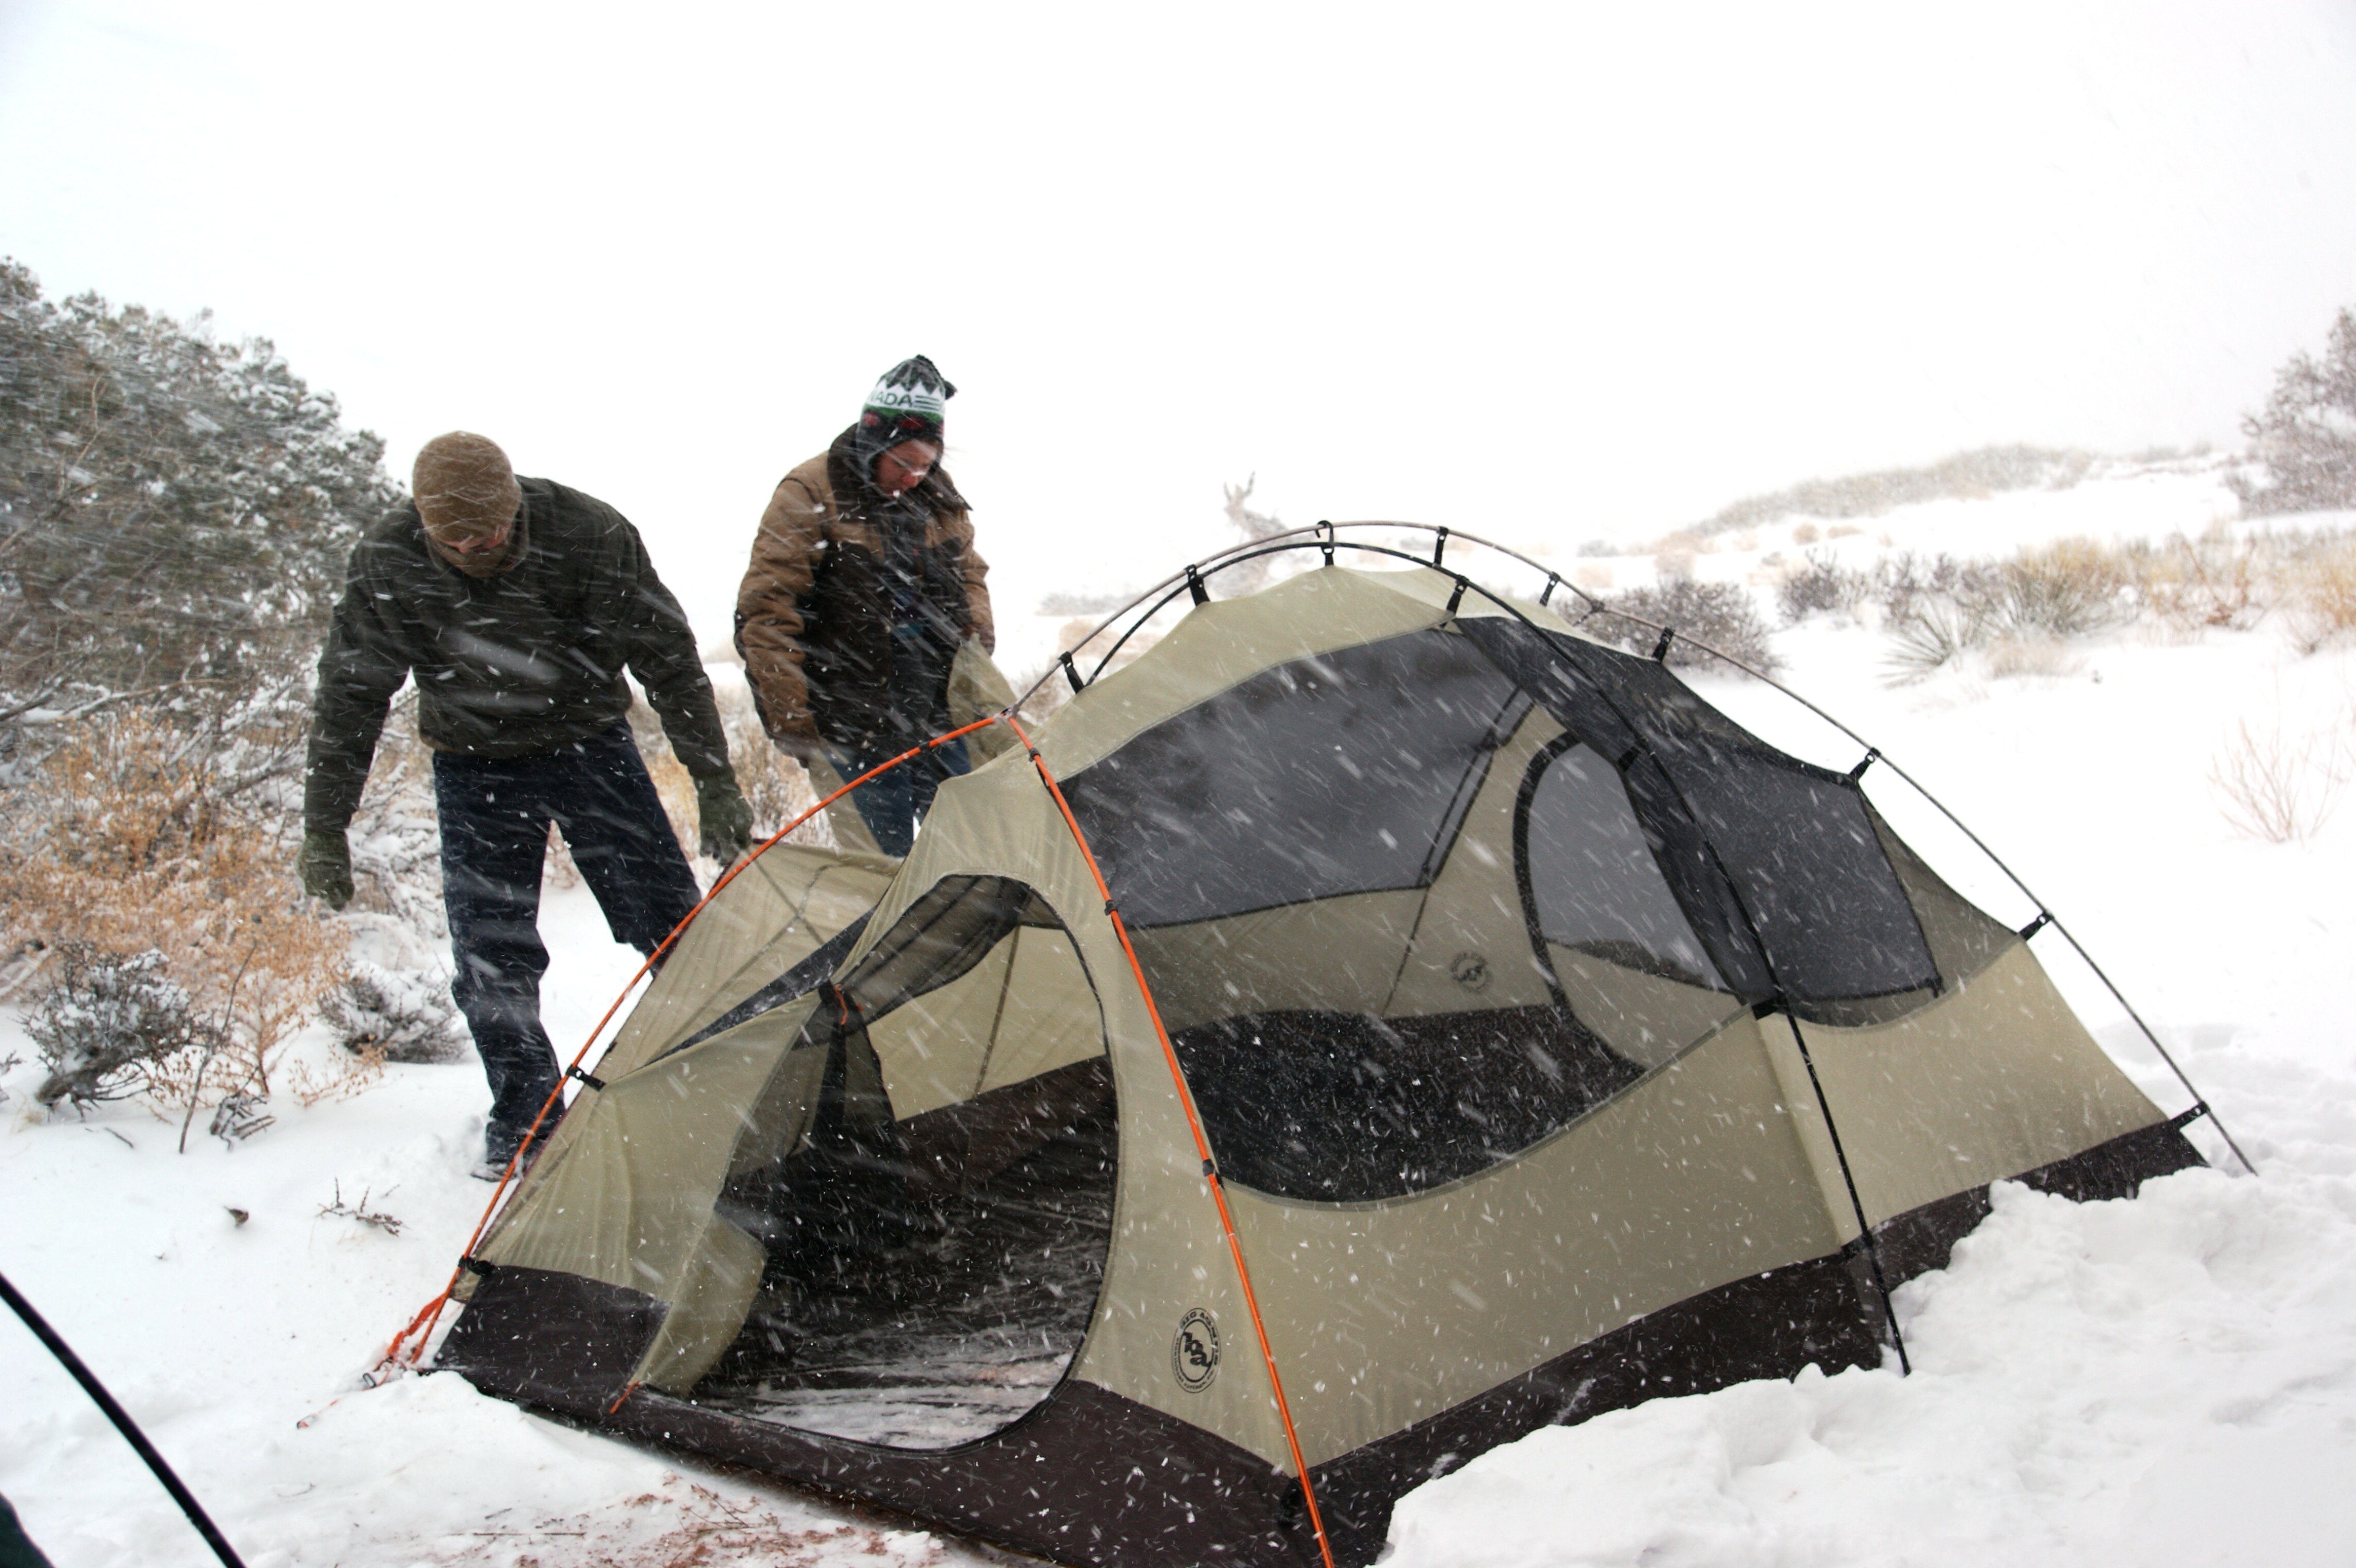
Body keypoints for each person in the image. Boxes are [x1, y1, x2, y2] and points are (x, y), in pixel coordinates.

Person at [297, 433, 753, 1178]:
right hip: (473, 764)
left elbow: (668, 658)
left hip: (590, 747)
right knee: (490, 957)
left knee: (673, 924)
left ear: (514, 507)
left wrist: (714, 779)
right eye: (454, 540)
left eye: (489, 534)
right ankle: (528, 1118)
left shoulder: (587, 532)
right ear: (426, 526)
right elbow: (350, 694)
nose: (473, 549)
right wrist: (324, 826)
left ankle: (735, 1075)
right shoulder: (389, 558)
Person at [734, 356, 997, 858]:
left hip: (936, 711)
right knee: (881, 868)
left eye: (926, 464)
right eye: (903, 463)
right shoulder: (809, 491)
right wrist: (794, 719)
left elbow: (971, 571)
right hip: (853, 722)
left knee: (969, 850)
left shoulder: (940, 497)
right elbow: (767, 612)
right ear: (875, 441)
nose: (914, 477)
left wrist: (976, 641)